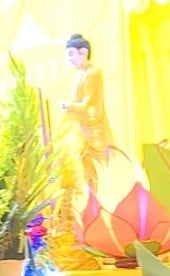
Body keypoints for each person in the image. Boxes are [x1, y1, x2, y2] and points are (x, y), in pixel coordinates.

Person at [61, 33, 113, 187]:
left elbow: (88, 103)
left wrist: (69, 106)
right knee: (84, 166)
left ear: (83, 52)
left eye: (71, 54)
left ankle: (98, 200)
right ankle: (91, 199)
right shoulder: (79, 74)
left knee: (98, 168)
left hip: (94, 128)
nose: (69, 58)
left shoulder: (93, 73)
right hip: (82, 127)